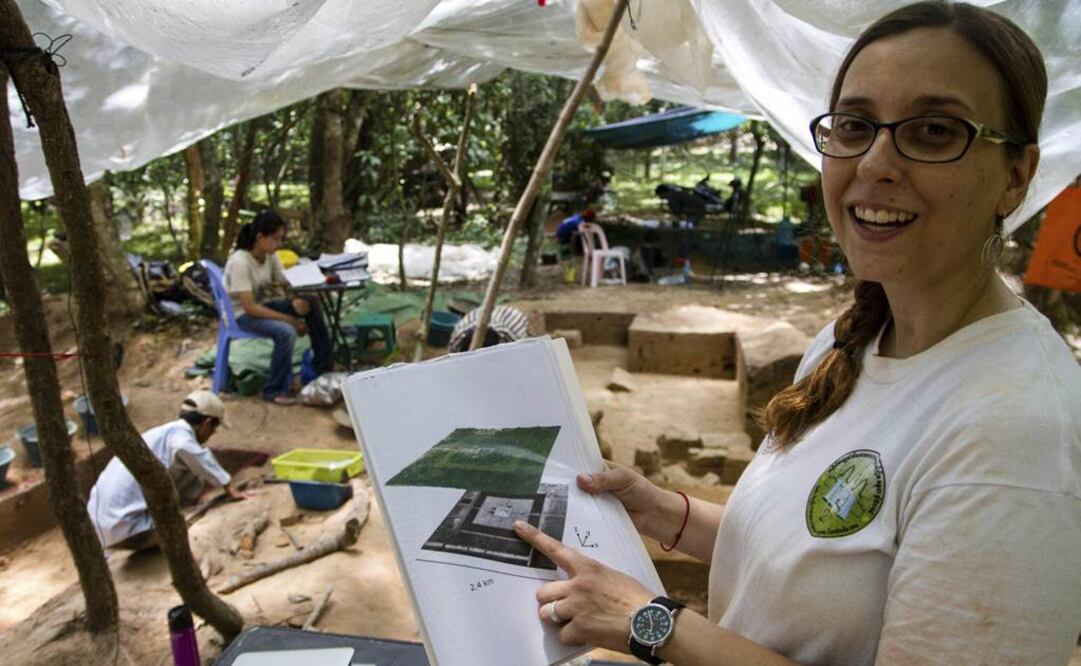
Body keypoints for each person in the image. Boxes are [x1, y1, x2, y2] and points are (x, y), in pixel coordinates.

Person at [513, 3, 1081, 664]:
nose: (874, 162)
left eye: (931, 131)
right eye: (853, 125)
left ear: (1014, 174)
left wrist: (652, 622)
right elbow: (813, 559)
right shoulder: (851, 339)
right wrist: (667, 514)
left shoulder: (1017, 429)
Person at [87, 391, 249, 551]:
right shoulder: (182, 439)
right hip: (125, 528)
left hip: (99, 522)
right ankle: (171, 521)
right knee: (195, 464)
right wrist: (228, 485)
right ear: (206, 423)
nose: (213, 433)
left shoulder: (162, 433)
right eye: (214, 428)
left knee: (188, 463)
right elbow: (195, 455)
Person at [224, 210, 332, 405]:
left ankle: (323, 366)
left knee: (310, 303)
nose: (278, 244)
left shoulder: (270, 255)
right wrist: (290, 319)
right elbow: (249, 308)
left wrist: (294, 300)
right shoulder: (240, 262)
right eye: (275, 239)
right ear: (260, 237)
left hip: (261, 306)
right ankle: (273, 389)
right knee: (286, 332)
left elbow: (285, 284)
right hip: (241, 314)